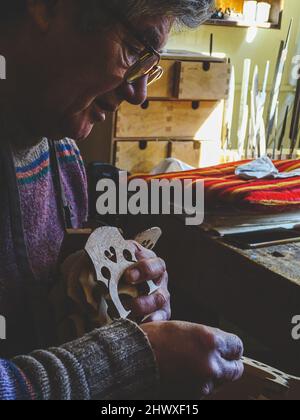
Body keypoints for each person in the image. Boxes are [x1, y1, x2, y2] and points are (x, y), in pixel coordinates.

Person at [0, 0, 244, 400]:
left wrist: (108, 286)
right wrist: (128, 360)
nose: (139, 93)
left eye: (149, 64)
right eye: (134, 49)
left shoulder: (57, 142)